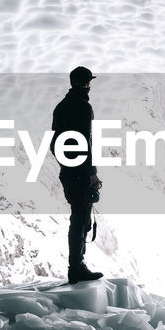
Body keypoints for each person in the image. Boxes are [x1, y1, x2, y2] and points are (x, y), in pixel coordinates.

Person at [50, 66, 104, 284]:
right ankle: (77, 268)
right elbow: (85, 142)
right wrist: (90, 172)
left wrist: (67, 165)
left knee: (79, 216)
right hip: (81, 172)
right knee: (81, 219)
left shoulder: (60, 108)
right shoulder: (83, 107)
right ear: (86, 83)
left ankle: (77, 266)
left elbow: (55, 143)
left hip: (69, 171)